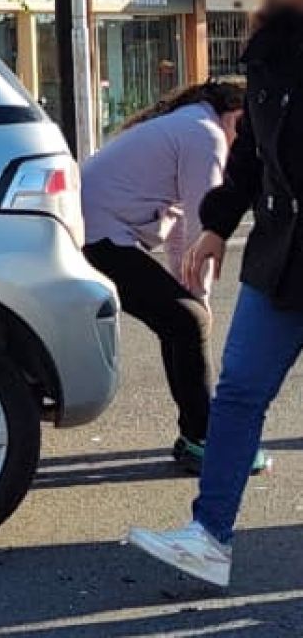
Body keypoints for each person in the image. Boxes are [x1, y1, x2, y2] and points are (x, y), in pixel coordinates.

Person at [128, 0, 303, 588]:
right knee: (237, 396)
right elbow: (252, 156)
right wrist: (216, 224)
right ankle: (208, 536)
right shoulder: (268, 50)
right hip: (282, 257)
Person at [82, 80, 269, 475]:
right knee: (186, 321)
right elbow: (207, 226)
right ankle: (203, 440)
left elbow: (185, 229)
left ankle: (195, 435)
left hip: (95, 230)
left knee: (181, 319)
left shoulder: (189, 125)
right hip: (96, 234)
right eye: (245, 127)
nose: (246, 142)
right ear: (233, 114)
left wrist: (190, 291)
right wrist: (197, 300)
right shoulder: (206, 137)